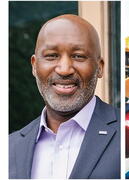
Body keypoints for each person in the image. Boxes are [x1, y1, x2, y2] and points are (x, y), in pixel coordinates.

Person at [9, 14, 120, 179]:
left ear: (99, 68)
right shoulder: (10, 147)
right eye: (52, 56)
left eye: (78, 56)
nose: (64, 69)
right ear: (34, 66)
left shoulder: (121, 135)